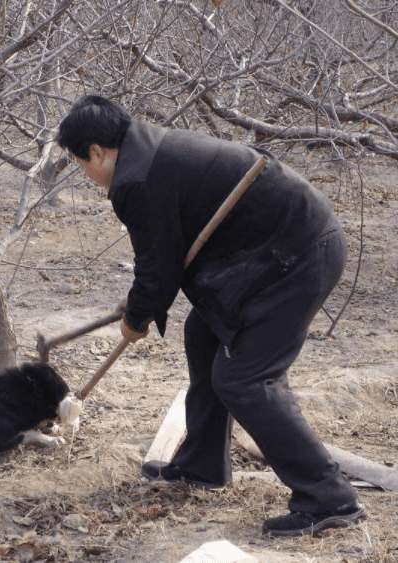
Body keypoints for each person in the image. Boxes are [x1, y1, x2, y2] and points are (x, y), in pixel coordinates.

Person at [57, 95, 365, 537]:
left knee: (245, 378)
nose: (86, 175)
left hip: (298, 254)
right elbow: (168, 254)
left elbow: (159, 266)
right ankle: (203, 465)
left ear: (97, 152)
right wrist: (142, 302)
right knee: (203, 332)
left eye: (80, 163)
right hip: (281, 248)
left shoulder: (135, 179)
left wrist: (138, 316)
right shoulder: (147, 151)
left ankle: (329, 498)